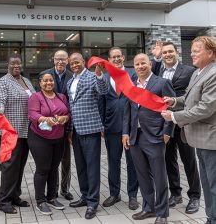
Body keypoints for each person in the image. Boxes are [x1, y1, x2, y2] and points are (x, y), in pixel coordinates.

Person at [161, 36, 216, 224]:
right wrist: (175, 101)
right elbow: (190, 97)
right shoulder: (199, 72)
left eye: (196, 50)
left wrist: (175, 116)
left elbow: (205, 108)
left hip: (210, 139)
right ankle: (211, 217)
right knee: (208, 183)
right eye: (191, 50)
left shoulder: (213, 73)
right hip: (199, 138)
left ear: (210, 52)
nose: (191, 54)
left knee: (213, 184)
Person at [122, 53, 176, 224]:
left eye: (143, 63)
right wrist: (125, 132)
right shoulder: (132, 86)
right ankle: (148, 208)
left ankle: (162, 213)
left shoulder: (162, 83)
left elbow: (169, 108)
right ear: (134, 67)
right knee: (143, 175)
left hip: (155, 136)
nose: (140, 66)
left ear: (150, 64)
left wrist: (167, 132)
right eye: (137, 64)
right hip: (135, 137)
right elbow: (128, 111)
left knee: (159, 176)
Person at [152, 40, 201, 213]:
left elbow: (193, 96)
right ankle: (175, 193)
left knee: (189, 161)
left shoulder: (189, 71)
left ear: (177, 52)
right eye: (164, 52)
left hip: (182, 122)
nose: (167, 55)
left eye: (170, 51)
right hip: (165, 123)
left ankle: (194, 196)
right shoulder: (158, 70)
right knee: (169, 160)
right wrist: (156, 58)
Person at [67, 53, 108, 220]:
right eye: (72, 63)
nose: (74, 65)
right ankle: (85, 196)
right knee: (81, 166)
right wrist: (69, 130)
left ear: (83, 62)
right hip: (76, 130)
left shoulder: (92, 77)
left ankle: (93, 202)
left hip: (90, 129)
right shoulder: (70, 81)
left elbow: (103, 90)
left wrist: (99, 75)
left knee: (92, 167)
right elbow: (71, 107)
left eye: (77, 62)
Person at [0, 54, 35, 214]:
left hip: (26, 130)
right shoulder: (2, 82)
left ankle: (15, 196)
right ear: (8, 65)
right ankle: (3, 201)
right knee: (10, 167)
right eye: (13, 63)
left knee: (19, 166)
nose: (16, 66)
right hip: (11, 131)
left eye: (18, 63)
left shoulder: (27, 81)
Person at [99, 47, 139, 210]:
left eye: (118, 56)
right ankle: (115, 194)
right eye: (113, 57)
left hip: (130, 126)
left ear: (123, 57)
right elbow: (102, 101)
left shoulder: (133, 73)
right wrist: (102, 123)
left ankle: (132, 195)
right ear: (109, 60)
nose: (116, 59)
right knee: (113, 162)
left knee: (132, 162)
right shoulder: (105, 77)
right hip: (111, 125)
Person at [28, 72, 71, 215]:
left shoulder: (62, 96)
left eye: (51, 80)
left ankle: (52, 197)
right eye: (45, 81)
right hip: (40, 138)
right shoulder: (36, 97)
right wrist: (44, 119)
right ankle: (40, 201)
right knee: (43, 169)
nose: (48, 83)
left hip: (58, 138)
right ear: (40, 83)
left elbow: (69, 112)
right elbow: (32, 114)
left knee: (54, 168)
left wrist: (65, 117)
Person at [40, 49, 74, 201]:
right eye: (57, 59)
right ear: (53, 59)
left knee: (66, 159)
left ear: (67, 61)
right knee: (50, 161)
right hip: (48, 125)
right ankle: (51, 191)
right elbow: (39, 98)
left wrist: (68, 120)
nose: (60, 62)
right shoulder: (45, 75)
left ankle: (65, 189)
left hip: (66, 124)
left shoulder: (72, 75)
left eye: (63, 59)